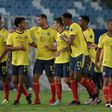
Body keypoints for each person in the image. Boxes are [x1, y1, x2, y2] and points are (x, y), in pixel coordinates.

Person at [61, 12, 99, 105]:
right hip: (74, 55)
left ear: (67, 19)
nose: (62, 21)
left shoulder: (74, 26)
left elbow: (71, 42)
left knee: (78, 76)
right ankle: (76, 100)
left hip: (81, 54)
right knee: (72, 77)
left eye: (63, 19)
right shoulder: (72, 27)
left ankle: (94, 92)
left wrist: (64, 38)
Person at [6, 17, 36, 105]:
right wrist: (18, 47)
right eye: (23, 23)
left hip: (24, 61)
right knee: (15, 81)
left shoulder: (27, 33)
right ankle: (27, 95)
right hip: (15, 61)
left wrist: (40, 47)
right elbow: (8, 47)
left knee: (20, 81)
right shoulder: (12, 34)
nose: (25, 24)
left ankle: (17, 100)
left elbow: (31, 43)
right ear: (19, 24)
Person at [28, 14, 57, 105]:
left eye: (39, 20)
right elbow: (25, 33)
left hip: (50, 59)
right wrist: (34, 45)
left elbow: (60, 44)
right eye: (37, 20)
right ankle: (37, 99)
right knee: (35, 78)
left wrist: (52, 48)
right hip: (39, 58)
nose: (38, 22)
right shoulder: (35, 29)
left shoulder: (52, 31)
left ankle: (53, 99)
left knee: (51, 79)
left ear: (44, 20)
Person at [79, 15, 101, 104]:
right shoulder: (80, 31)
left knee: (87, 77)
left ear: (85, 22)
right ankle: (94, 96)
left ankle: (96, 96)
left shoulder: (89, 32)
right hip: (83, 57)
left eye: (80, 21)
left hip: (89, 58)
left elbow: (88, 45)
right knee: (86, 78)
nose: (79, 22)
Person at [51, 17, 70, 106]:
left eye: (54, 23)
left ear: (58, 24)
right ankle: (58, 100)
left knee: (67, 80)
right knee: (56, 79)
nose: (53, 25)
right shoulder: (57, 34)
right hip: (58, 61)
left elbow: (70, 46)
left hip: (66, 60)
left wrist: (61, 51)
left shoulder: (66, 33)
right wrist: (55, 51)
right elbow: (59, 47)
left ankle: (75, 96)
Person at [95, 19, 112, 108]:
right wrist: (96, 62)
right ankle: (107, 102)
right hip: (106, 64)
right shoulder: (102, 37)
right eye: (111, 24)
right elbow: (98, 50)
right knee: (106, 82)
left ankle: (111, 100)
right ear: (107, 25)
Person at [0, 16, 10, 104]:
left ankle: (6, 98)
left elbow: (7, 48)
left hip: (2, 60)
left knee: (4, 79)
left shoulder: (5, 33)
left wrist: (1, 57)